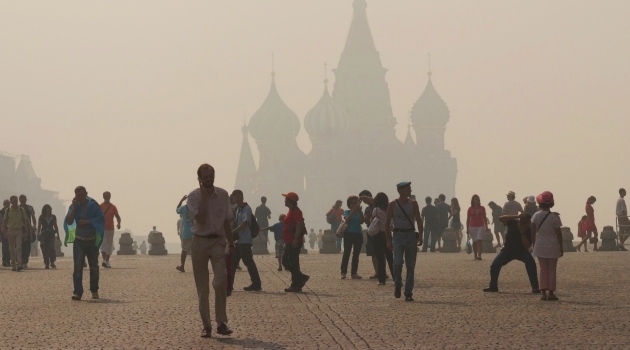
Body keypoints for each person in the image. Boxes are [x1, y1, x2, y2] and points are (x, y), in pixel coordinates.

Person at [187, 164, 234, 338]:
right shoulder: (193, 197)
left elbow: (227, 221)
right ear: (199, 179)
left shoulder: (223, 195)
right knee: (202, 288)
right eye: (205, 177)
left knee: (220, 280)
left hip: (218, 242)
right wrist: (205, 198)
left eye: (211, 176)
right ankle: (207, 326)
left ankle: (221, 322)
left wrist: (231, 243)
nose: (209, 179)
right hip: (199, 241)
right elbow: (199, 218)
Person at [64, 186, 105, 300]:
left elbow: (101, 219)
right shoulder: (74, 207)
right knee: (77, 267)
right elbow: (69, 221)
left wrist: (87, 221)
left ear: (86, 194)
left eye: (82, 195)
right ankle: (77, 292)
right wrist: (74, 208)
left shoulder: (93, 205)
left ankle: (94, 290)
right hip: (79, 241)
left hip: (91, 240)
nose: (81, 198)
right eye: (78, 196)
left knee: (94, 266)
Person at [483, 213, 540, 293]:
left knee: (531, 263)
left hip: (522, 251)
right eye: (524, 221)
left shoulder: (529, 230)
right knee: (495, 265)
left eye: (527, 222)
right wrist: (516, 216)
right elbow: (501, 218)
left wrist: (522, 232)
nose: (527, 224)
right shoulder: (513, 223)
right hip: (507, 251)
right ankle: (493, 286)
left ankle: (535, 287)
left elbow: (527, 245)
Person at [385, 182, 423, 302]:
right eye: (408, 189)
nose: (410, 190)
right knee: (397, 263)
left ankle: (408, 292)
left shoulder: (413, 204)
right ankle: (398, 283)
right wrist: (388, 240)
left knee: (410, 265)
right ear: (400, 191)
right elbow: (387, 224)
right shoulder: (392, 205)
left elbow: (418, 219)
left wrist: (421, 235)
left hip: (411, 235)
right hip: (397, 235)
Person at [531, 191, 563, 301]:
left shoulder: (536, 215)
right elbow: (558, 234)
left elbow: (533, 231)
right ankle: (551, 292)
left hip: (540, 245)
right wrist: (561, 247)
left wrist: (534, 244)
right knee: (552, 269)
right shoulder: (555, 217)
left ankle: (543, 293)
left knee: (543, 269)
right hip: (552, 246)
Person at [230, 189, 262, 292]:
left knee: (248, 262)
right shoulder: (238, 209)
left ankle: (256, 284)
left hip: (245, 240)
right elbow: (237, 222)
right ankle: (229, 284)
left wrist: (233, 231)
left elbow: (244, 224)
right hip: (239, 241)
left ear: (242, 197)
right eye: (235, 197)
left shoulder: (246, 208)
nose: (236, 198)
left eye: (238, 196)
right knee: (233, 262)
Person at [281, 192, 309, 292]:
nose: (284, 200)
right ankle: (298, 281)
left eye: (286, 199)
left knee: (287, 261)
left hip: (294, 240)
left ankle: (298, 280)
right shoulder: (291, 211)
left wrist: (296, 239)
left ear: (290, 201)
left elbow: (299, 224)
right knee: (292, 262)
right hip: (290, 240)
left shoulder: (296, 211)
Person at [370, 192, 394, 285]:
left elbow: (372, 221)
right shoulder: (389, 210)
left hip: (377, 235)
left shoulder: (376, 210)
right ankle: (396, 277)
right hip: (387, 234)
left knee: (380, 258)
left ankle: (381, 279)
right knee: (390, 257)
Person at [340, 195, 365, 279]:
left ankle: (354, 272)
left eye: (355, 203)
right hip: (348, 234)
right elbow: (347, 219)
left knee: (356, 254)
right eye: (352, 203)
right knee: (347, 252)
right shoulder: (347, 211)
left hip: (358, 234)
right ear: (349, 204)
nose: (354, 204)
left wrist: (360, 212)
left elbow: (362, 221)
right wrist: (353, 212)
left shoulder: (359, 212)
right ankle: (343, 272)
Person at [2, 195, 29, 271]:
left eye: (16, 201)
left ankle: (19, 264)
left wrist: (26, 231)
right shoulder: (7, 211)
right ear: (11, 202)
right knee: (11, 249)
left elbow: (25, 220)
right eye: (13, 201)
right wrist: (4, 231)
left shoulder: (21, 210)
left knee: (19, 247)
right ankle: (13, 265)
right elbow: (5, 221)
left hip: (18, 230)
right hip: (10, 230)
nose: (15, 202)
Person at [359, 190, 378, 279]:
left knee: (382, 253)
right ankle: (377, 272)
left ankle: (383, 271)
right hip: (371, 231)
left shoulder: (377, 204)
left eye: (365, 198)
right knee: (373, 253)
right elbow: (364, 220)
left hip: (380, 231)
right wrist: (358, 211)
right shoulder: (367, 209)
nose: (364, 200)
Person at [99, 191, 121, 268]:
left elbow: (117, 217)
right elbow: (97, 216)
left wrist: (119, 224)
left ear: (110, 196)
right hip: (102, 228)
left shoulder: (113, 207)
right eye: (105, 196)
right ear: (103, 196)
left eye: (108, 196)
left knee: (109, 245)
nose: (107, 197)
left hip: (110, 228)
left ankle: (106, 261)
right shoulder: (100, 206)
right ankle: (104, 260)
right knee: (103, 244)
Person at [38, 204, 60, 269]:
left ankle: (52, 261)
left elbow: (55, 226)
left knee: (51, 248)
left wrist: (58, 235)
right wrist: (38, 234)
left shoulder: (53, 217)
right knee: (44, 250)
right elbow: (39, 226)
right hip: (44, 235)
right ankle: (47, 263)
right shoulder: (41, 217)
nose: (47, 212)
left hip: (51, 234)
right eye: (46, 211)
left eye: (49, 210)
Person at [467, 194, 488, 260]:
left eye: (477, 199)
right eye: (474, 199)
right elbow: (468, 218)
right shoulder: (470, 209)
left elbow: (484, 217)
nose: (476, 200)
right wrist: (467, 227)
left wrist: (486, 226)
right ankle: (475, 255)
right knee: (474, 241)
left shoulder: (482, 208)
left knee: (479, 240)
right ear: (473, 200)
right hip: (472, 226)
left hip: (481, 225)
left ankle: (479, 255)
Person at [176, 195, 193, 272]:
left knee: (184, 250)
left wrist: (181, 200)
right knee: (197, 251)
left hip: (186, 232)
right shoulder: (196, 207)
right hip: (196, 232)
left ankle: (182, 266)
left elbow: (177, 210)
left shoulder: (183, 208)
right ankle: (199, 267)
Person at [19, 195, 36, 269]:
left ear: (26, 199)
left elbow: (33, 217)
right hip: (19, 227)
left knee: (27, 245)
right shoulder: (17, 208)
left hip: (28, 227)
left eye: (24, 199)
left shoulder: (30, 208)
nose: (22, 200)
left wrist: (34, 226)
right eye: (21, 199)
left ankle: (25, 261)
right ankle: (20, 260)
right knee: (20, 245)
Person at [1, 199, 11, 267]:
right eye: (6, 203)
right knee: (5, 246)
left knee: (10, 246)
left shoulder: (12, 211)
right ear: (3, 204)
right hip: (3, 230)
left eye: (8, 203)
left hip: (11, 230)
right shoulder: (1, 212)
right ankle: (5, 260)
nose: (7, 204)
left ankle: (8, 260)